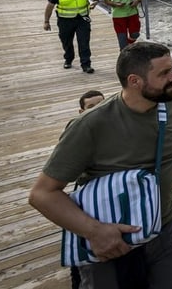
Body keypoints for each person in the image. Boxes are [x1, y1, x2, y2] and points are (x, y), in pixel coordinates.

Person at [29, 41, 172, 289]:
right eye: (164, 73)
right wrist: (94, 231)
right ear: (135, 81)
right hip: (112, 237)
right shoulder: (91, 125)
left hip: (165, 225)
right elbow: (41, 194)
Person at [71, 90, 105, 289]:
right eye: (91, 107)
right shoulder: (77, 134)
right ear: (80, 111)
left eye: (102, 104)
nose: (98, 110)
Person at [43, 0, 100, 73]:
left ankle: (86, 65)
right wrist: (46, 21)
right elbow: (49, 7)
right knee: (67, 42)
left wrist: (96, 0)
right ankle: (68, 59)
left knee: (84, 42)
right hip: (65, 21)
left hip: (82, 19)